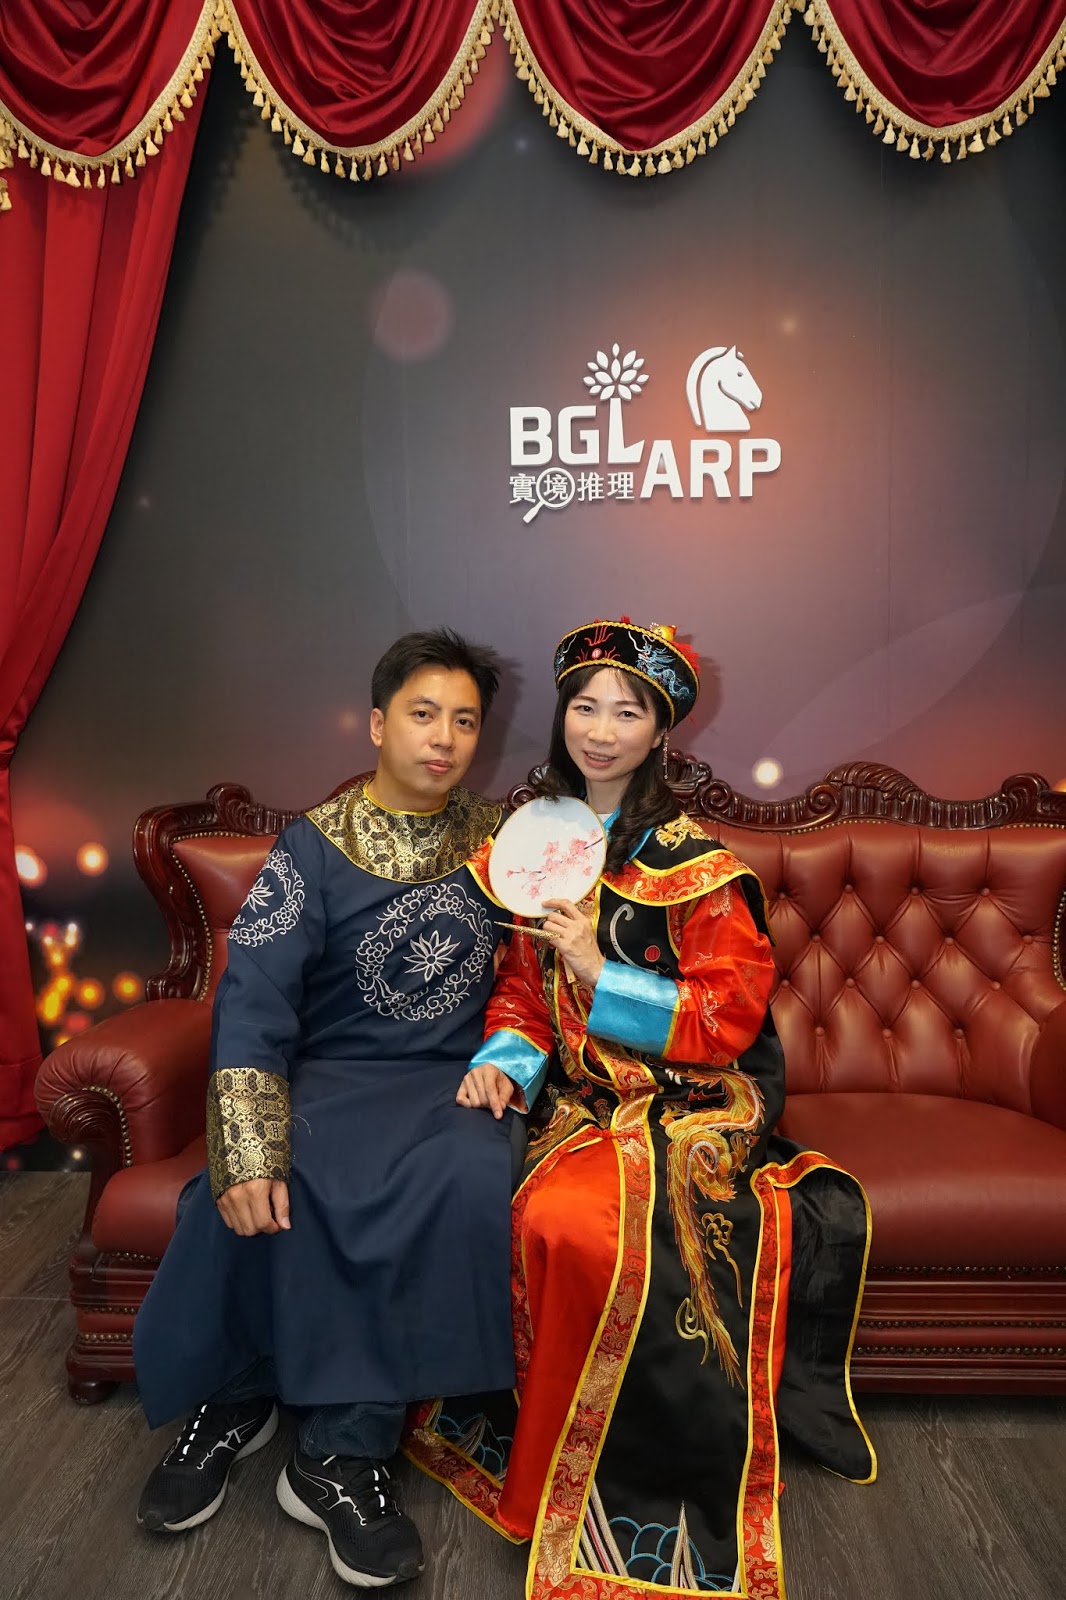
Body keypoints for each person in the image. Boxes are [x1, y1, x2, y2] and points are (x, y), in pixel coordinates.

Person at [409, 616, 876, 1600]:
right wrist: (504, 1063)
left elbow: (728, 1016)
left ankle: (616, 1489)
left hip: (693, 1096)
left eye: (628, 712)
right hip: (582, 1094)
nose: (601, 729)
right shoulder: (534, 845)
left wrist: (600, 968)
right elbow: (521, 991)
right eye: (585, 706)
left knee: (578, 1224)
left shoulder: (697, 867)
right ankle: (535, 1460)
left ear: (662, 732)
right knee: (488, 1193)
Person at [134, 627, 523, 1590]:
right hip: (331, 1077)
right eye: (423, 714)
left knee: (468, 1177)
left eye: (464, 721)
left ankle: (339, 1453)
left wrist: (510, 1061)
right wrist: (247, 1147)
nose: (443, 738)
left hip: (454, 1083)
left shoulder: (506, 845)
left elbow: (538, 979)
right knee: (273, 1179)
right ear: (378, 722)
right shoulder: (312, 845)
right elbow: (254, 1001)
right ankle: (237, 1393)